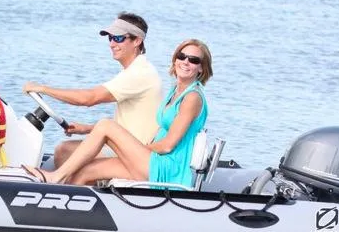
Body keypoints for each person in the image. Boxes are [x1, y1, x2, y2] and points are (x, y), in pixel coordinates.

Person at [24, 39, 212, 187]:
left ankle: (55, 177)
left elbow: (168, 145)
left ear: (201, 68)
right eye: (182, 56)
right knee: (86, 171)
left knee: (106, 125)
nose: (186, 62)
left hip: (167, 168)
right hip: (153, 162)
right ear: (175, 59)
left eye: (194, 60)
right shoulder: (175, 91)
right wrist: (92, 131)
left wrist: (132, 151)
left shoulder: (192, 97)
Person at [22, 12, 162, 168]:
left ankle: (66, 181)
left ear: (137, 41)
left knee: (64, 150)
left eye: (118, 38)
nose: (112, 44)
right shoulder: (136, 70)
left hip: (133, 153)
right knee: (65, 151)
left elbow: (89, 98)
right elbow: (126, 126)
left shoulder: (138, 73)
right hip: (126, 145)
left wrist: (42, 88)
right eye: (110, 38)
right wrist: (86, 129)